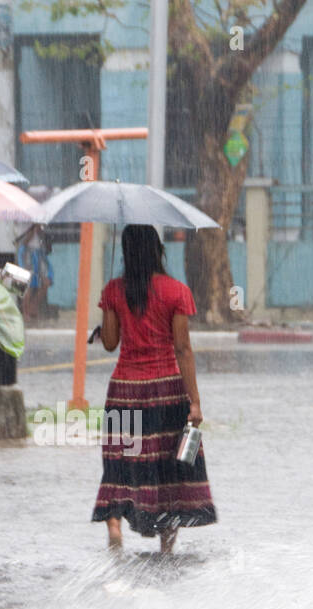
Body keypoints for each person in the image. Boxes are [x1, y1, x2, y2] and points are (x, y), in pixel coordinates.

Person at [93, 224, 216, 553]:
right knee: (166, 468)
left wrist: (106, 311)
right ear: (158, 251)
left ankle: (115, 525)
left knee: (122, 459)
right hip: (164, 391)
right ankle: (166, 547)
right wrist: (195, 402)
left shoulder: (114, 291)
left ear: (125, 253)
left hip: (124, 391)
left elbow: (109, 344)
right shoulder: (176, 291)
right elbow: (183, 349)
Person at [16, 224, 53, 323]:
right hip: (26, 251)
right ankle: (26, 312)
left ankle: (33, 307)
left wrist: (40, 228)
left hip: (38, 252)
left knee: (46, 281)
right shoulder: (22, 220)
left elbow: (42, 237)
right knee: (27, 284)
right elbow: (24, 240)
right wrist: (33, 228)